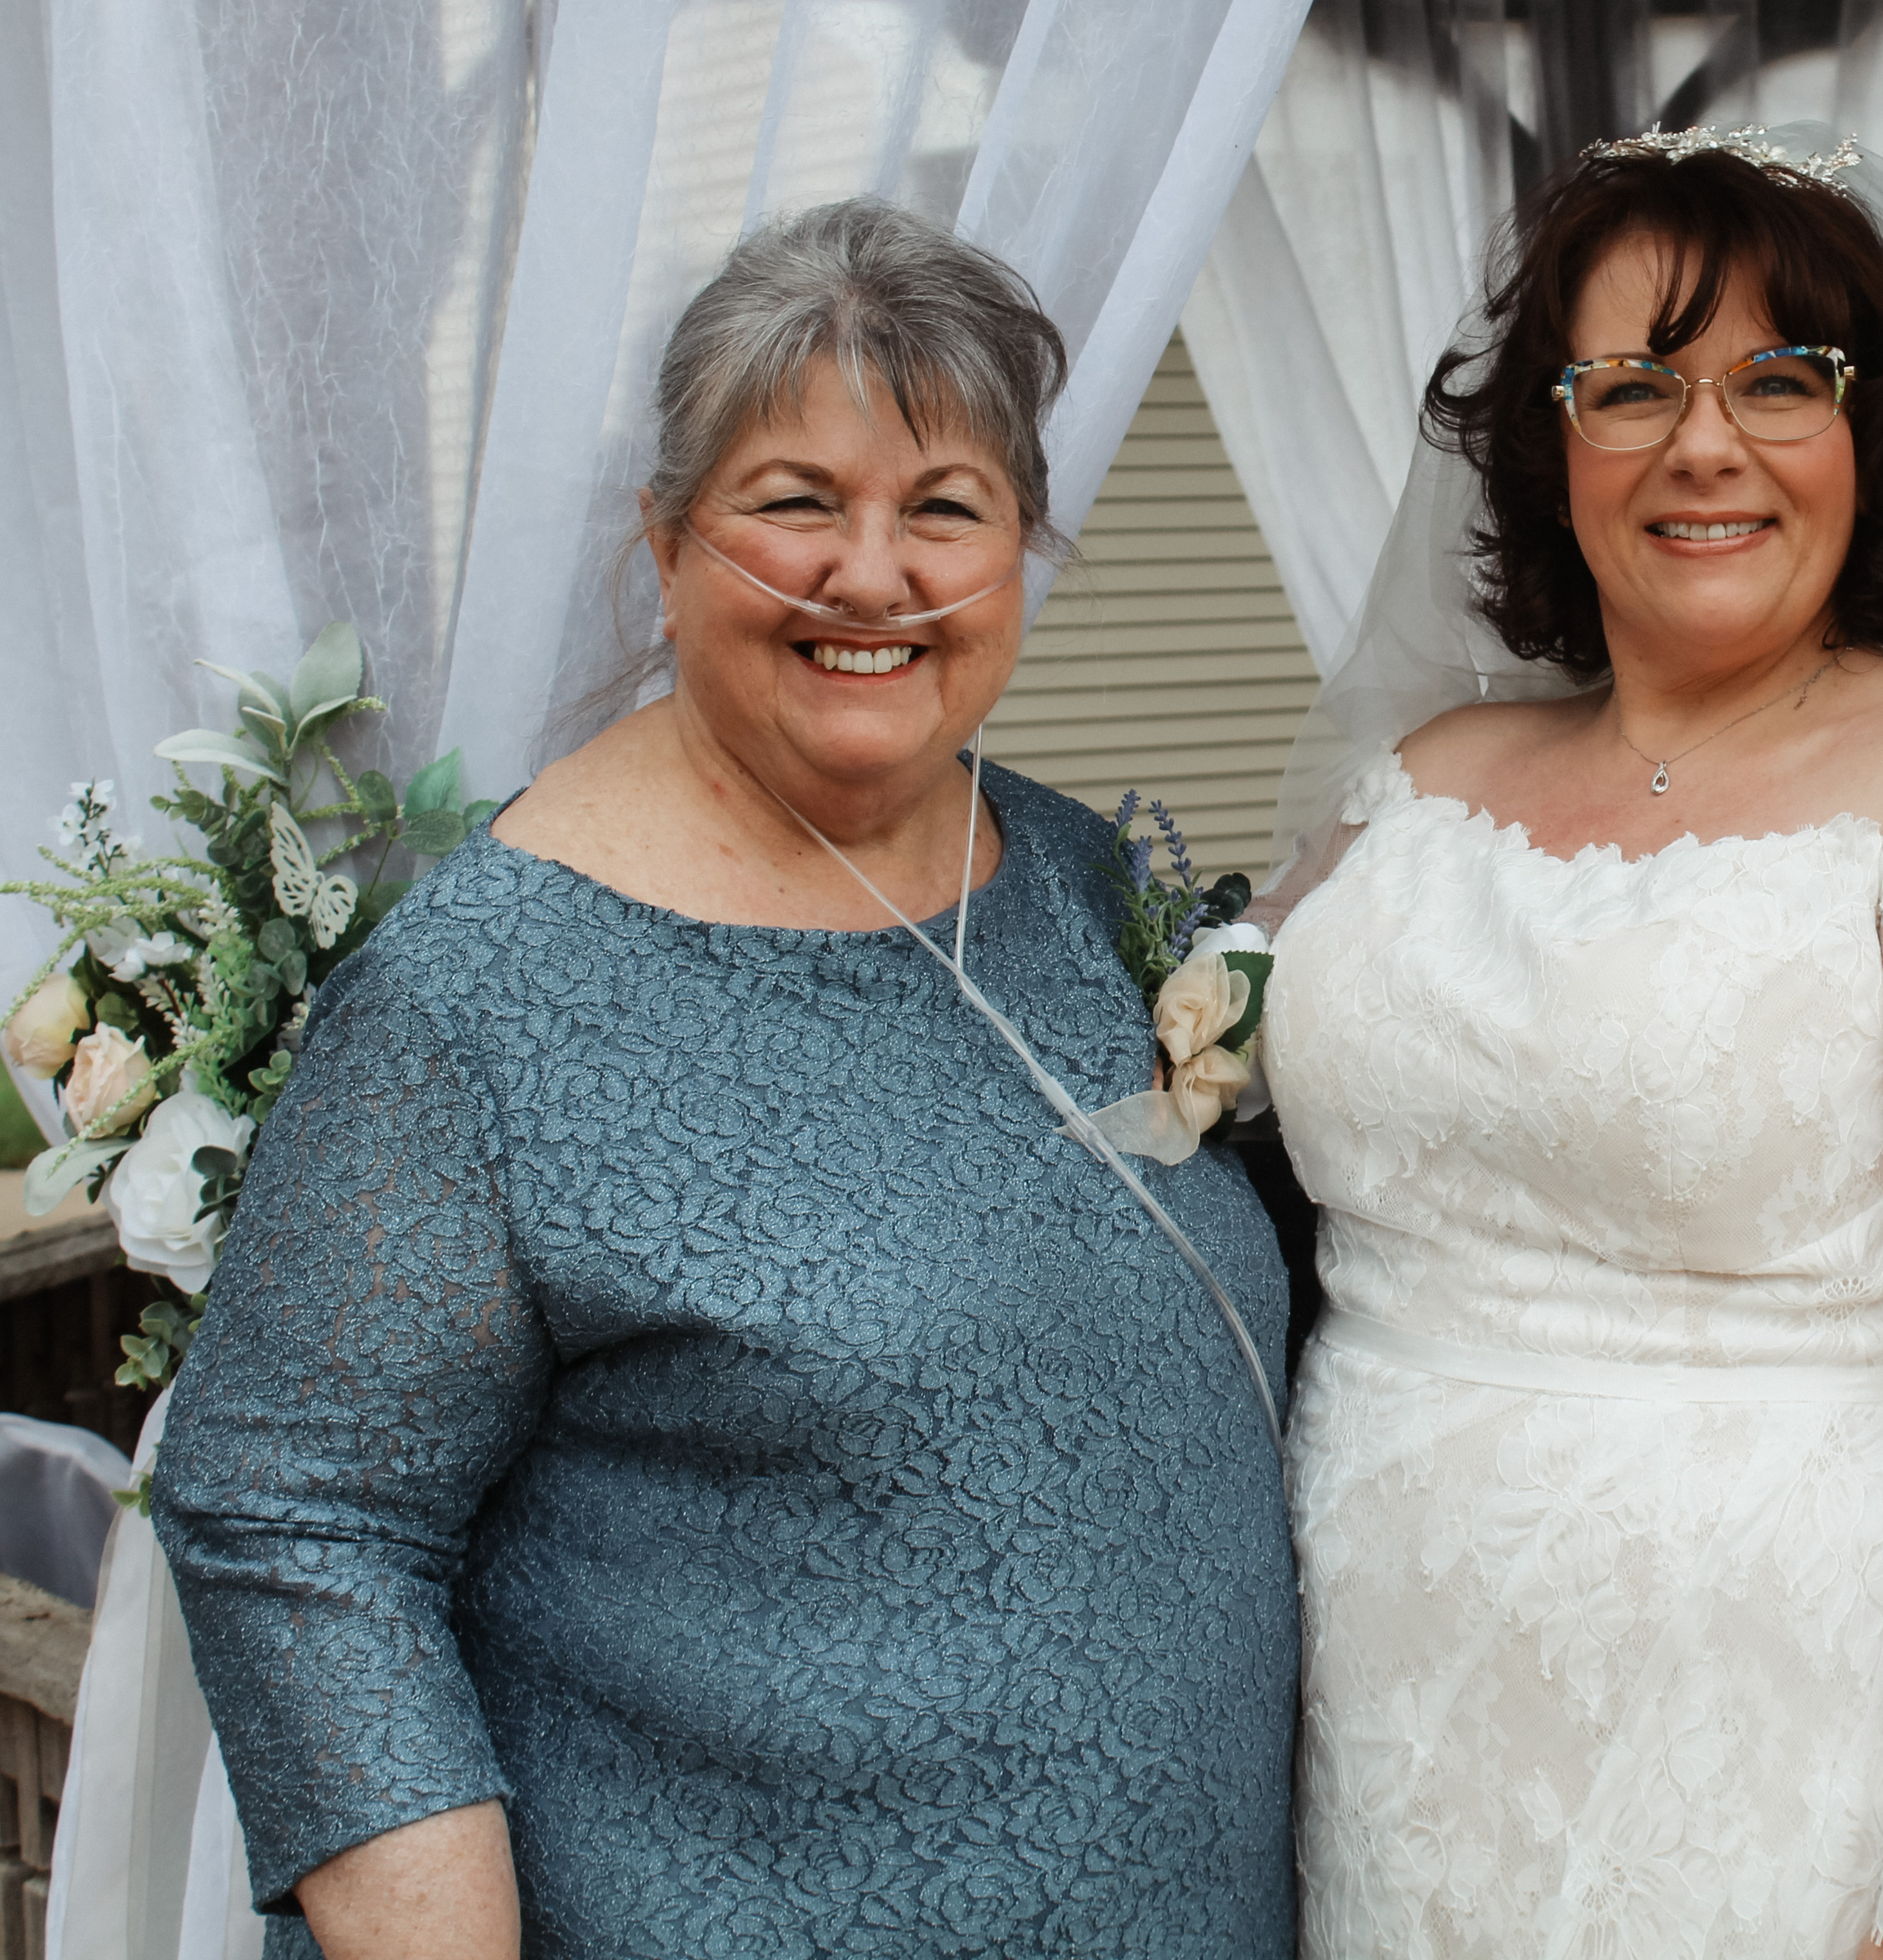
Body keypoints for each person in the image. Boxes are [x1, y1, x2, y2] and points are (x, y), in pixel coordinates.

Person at [150, 199, 1297, 1959]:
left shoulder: (1080, 883)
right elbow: (295, 1521)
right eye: (794, 504)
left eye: (944, 510)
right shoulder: (484, 998)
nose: (872, 575)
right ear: (668, 540)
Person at [1251, 127, 1883, 1959]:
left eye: (1781, 380)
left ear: (1872, 441)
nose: (1706, 443)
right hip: (1389, 1734)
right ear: (1549, 445)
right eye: (1632, 387)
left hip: (1783, 1763)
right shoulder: (1418, 795)